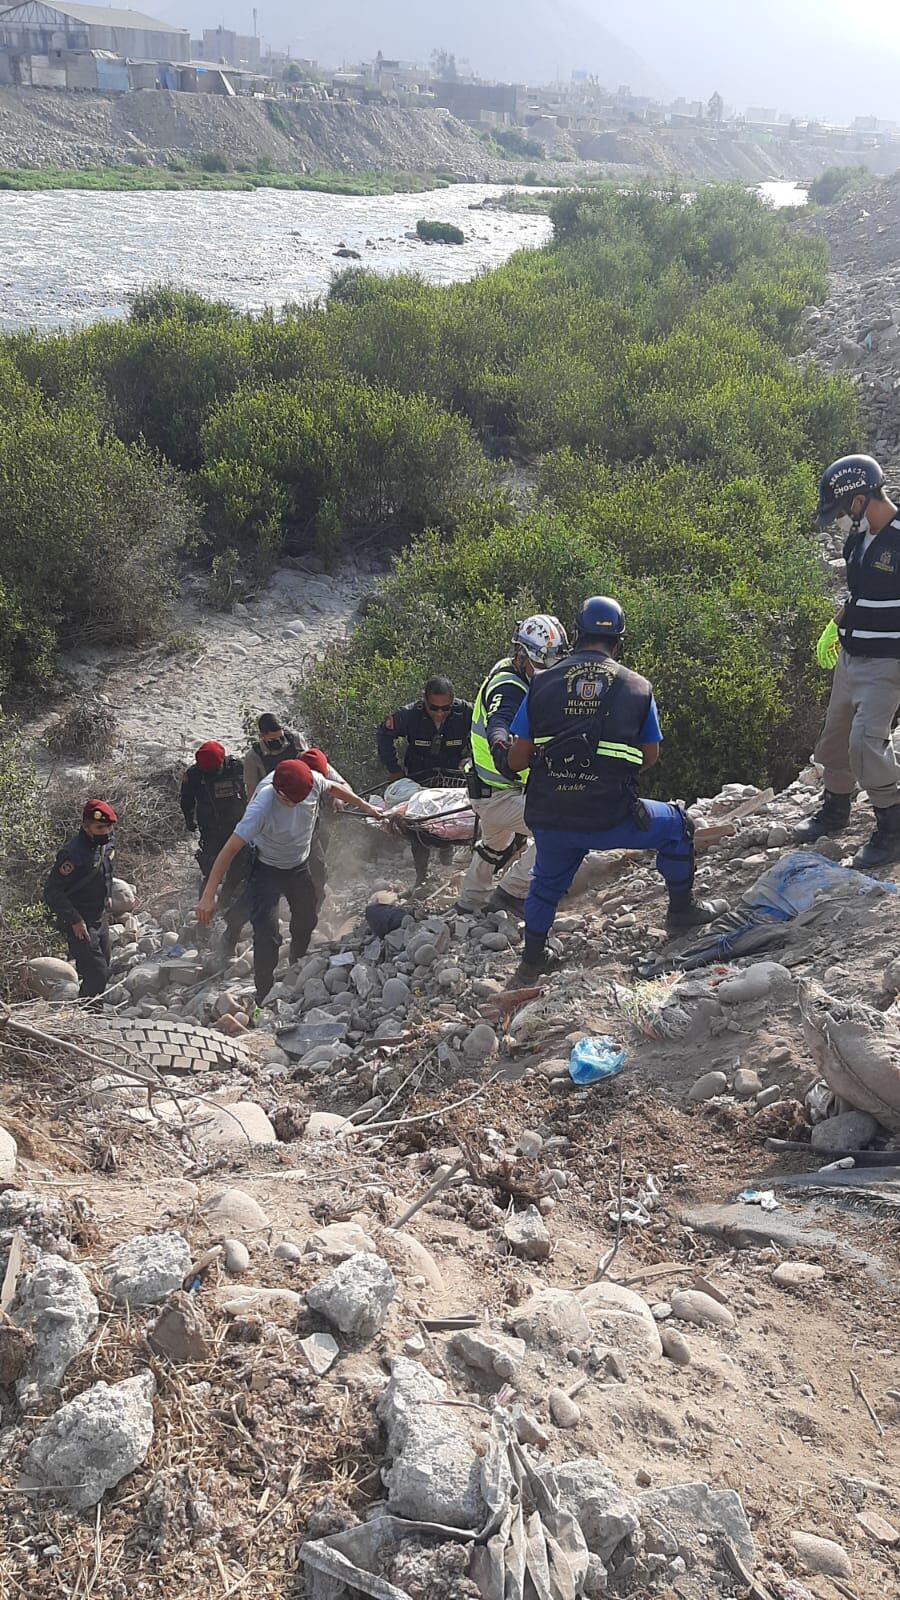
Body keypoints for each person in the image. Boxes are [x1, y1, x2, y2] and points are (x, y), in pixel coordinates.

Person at [507, 596, 726, 980]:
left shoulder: (540, 684)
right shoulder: (637, 687)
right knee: (679, 826)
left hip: (551, 816)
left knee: (544, 883)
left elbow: (518, 761)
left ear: (575, 636)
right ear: (619, 643)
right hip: (611, 816)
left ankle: (531, 961)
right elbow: (649, 756)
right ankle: (681, 912)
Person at [196, 758, 381, 1005]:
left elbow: (334, 788)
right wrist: (208, 896)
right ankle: (263, 992)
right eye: (292, 802)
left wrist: (365, 807)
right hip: (265, 870)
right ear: (279, 793)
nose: (298, 805)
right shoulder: (262, 805)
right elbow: (229, 851)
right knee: (266, 935)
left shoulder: (311, 780)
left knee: (307, 917)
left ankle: (296, 961)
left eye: (303, 800)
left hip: (298, 866)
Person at [795, 454, 900, 867]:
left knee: (865, 743)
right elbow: (857, 596)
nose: (838, 520)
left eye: (840, 511)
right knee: (835, 739)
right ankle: (835, 811)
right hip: (851, 657)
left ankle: (891, 827)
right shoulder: (857, 541)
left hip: (887, 661)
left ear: (858, 502)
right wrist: (833, 625)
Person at [457, 615, 569, 915]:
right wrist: (501, 748)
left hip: (489, 789)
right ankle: (512, 892)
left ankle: (469, 903)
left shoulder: (516, 674)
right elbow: (500, 722)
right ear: (521, 656)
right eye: (541, 666)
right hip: (501, 789)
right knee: (564, 828)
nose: (546, 673)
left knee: (494, 845)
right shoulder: (509, 687)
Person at [376, 676, 474, 883]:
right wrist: (394, 769)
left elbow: (486, 733)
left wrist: (472, 759)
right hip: (420, 774)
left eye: (445, 708)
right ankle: (422, 876)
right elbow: (384, 734)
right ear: (424, 701)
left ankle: (449, 858)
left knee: (449, 817)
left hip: (451, 776)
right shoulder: (409, 715)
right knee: (416, 825)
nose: (439, 713)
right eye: (434, 708)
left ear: (453, 702)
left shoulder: (466, 712)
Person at [43, 799, 118, 1000]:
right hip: (80, 924)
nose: (106, 831)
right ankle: (86, 1018)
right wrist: (74, 920)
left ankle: (94, 1012)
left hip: (99, 918)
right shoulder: (73, 853)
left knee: (102, 969)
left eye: (109, 826)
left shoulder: (106, 843)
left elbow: (107, 871)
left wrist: (108, 895)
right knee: (98, 973)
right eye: (100, 827)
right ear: (86, 827)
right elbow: (51, 891)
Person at [180, 740, 248, 950]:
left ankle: (228, 899)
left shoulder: (236, 767)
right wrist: (189, 819)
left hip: (238, 828)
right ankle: (204, 920)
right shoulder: (194, 775)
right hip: (211, 831)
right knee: (209, 873)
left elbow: (251, 790)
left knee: (240, 868)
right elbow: (186, 799)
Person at [299, 745, 351, 911]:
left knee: (319, 860)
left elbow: (344, 786)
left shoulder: (322, 766)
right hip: (294, 825)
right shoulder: (292, 774)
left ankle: (316, 900)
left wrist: (339, 799)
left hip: (316, 819)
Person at [243, 713, 303, 800]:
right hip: (274, 799)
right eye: (273, 740)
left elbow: (310, 764)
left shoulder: (295, 740)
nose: (279, 742)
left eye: (281, 738)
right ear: (262, 736)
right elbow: (251, 791)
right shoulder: (253, 756)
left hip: (301, 792)